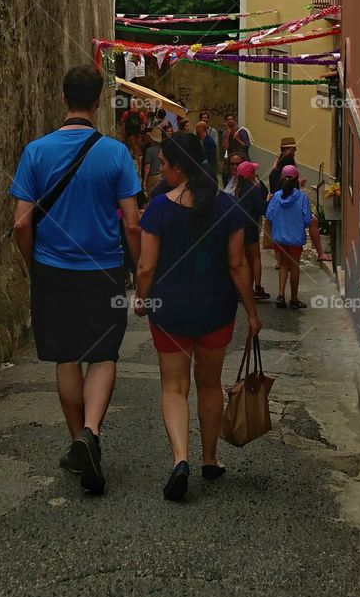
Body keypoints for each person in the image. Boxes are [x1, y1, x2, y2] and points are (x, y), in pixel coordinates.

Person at [10, 63, 142, 495]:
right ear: (99, 101)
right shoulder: (116, 154)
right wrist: (140, 271)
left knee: (67, 356)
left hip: (53, 269)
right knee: (103, 354)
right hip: (103, 269)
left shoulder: (36, 152)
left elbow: (21, 224)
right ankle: (91, 432)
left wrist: (34, 265)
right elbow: (132, 223)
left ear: (64, 98)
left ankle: (78, 442)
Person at [136, 133, 261, 500]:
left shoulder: (158, 209)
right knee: (209, 384)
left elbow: (146, 266)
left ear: (179, 168)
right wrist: (252, 312)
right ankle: (209, 458)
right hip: (215, 311)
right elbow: (238, 266)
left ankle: (180, 458)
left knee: (174, 388)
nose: (160, 170)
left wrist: (141, 299)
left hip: (169, 311)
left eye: (164, 165)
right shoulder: (228, 207)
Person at [266, 166, 322, 310]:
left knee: (283, 265)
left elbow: (269, 215)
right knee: (294, 266)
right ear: (296, 178)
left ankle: (281, 295)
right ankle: (294, 299)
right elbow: (307, 219)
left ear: (281, 178)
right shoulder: (302, 198)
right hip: (295, 238)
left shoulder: (276, 197)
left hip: (279, 237)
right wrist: (297, 224)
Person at [234, 161, 269, 301]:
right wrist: (269, 201)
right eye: (253, 172)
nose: (255, 174)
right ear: (248, 174)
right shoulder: (254, 189)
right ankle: (257, 288)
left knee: (245, 259)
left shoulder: (238, 189)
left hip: (240, 226)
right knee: (255, 258)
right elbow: (261, 209)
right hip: (251, 226)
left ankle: (243, 287)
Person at [142, 127, 163, 196]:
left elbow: (147, 166)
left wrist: (144, 180)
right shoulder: (163, 149)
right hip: (162, 176)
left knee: (151, 196)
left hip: (153, 177)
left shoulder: (149, 150)